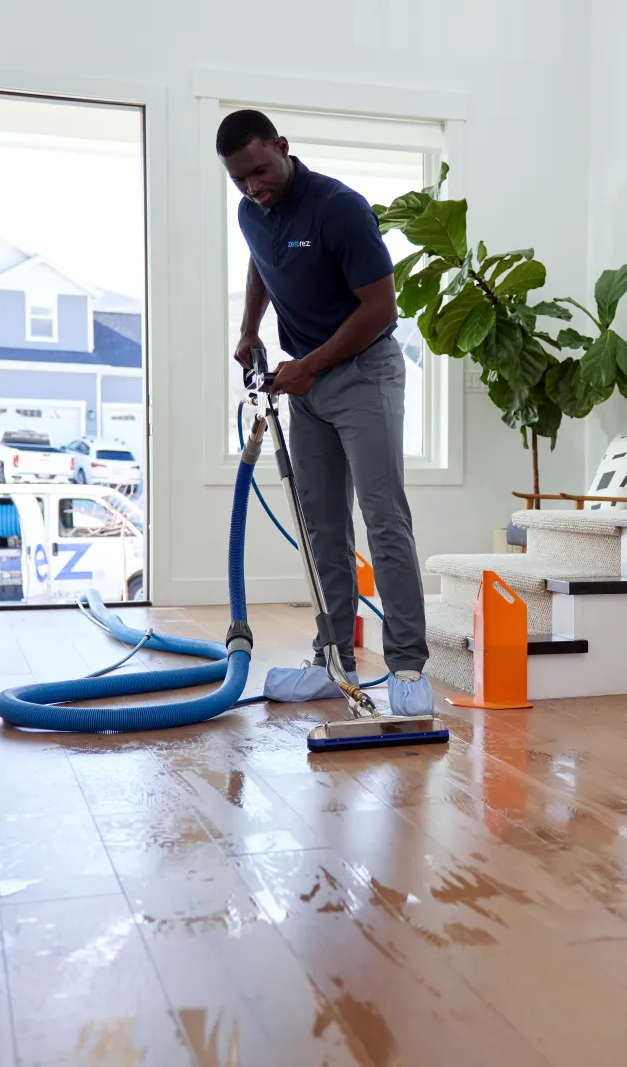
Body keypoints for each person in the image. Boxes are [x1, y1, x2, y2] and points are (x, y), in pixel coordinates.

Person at [218, 108, 433, 717]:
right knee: (321, 528)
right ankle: (331, 660)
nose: (254, 188)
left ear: (283, 147)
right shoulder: (250, 212)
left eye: (260, 171)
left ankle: (407, 668)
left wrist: (311, 366)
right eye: (241, 181)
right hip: (304, 380)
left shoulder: (339, 207)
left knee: (383, 517)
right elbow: (262, 260)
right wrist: (248, 328)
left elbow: (382, 309)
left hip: (363, 370)